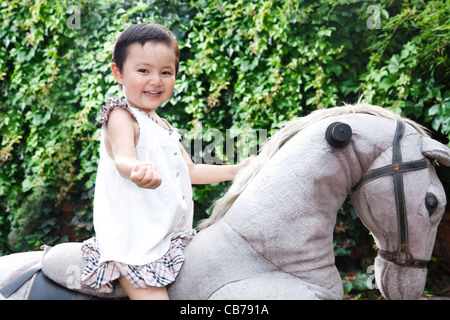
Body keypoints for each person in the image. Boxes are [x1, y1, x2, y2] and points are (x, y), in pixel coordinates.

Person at [80, 23, 251, 300]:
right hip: (135, 245)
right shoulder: (121, 115)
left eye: (166, 72)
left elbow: (190, 170)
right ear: (118, 72)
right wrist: (137, 169)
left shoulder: (163, 126)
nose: (156, 80)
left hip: (169, 238)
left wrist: (239, 170)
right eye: (144, 70)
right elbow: (123, 157)